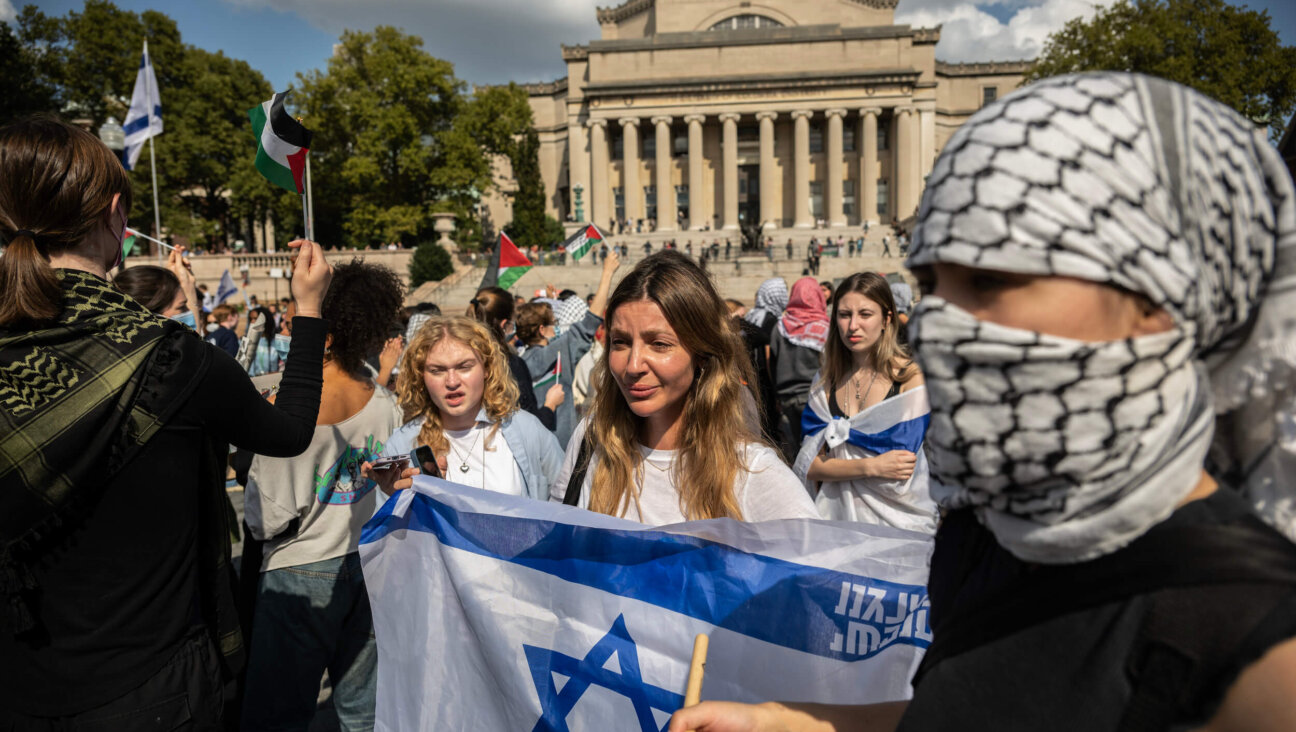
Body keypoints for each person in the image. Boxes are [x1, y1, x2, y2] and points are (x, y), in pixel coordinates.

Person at [670, 72, 1296, 732]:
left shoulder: (1262, 654)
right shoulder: (989, 535)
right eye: (935, 282)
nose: (943, 322)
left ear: (1156, 301)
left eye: (992, 278)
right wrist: (787, 721)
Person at [0, 116, 333, 729]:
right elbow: (287, 432)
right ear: (114, 214)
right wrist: (308, 310)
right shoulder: (170, 356)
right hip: (150, 685)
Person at [240, 260, 406, 731]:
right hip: (365, 562)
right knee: (363, 709)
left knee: (277, 712)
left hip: (299, 570)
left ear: (325, 335)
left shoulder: (285, 410)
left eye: (300, 317)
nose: (293, 325)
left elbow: (264, 518)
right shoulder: (383, 402)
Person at [552, 251, 819, 524]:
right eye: (620, 342)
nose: (632, 366)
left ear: (701, 353)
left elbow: (819, 560)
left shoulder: (753, 472)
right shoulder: (592, 438)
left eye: (659, 344)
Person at [365, 316, 564, 501]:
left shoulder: (526, 429)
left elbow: (568, 504)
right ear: (421, 377)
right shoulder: (402, 445)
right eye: (437, 370)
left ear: (486, 369)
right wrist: (401, 503)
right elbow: (388, 532)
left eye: (464, 367)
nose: (452, 381)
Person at [794, 273, 934, 532]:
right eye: (844, 315)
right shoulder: (825, 380)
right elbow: (809, 464)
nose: (853, 325)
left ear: (886, 319)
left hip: (900, 526)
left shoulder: (910, 379)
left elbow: (901, 468)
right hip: (837, 524)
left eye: (865, 314)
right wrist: (871, 466)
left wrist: (840, 466)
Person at [519, 249, 621, 447]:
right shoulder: (557, 352)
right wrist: (607, 272)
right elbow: (590, 323)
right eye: (553, 324)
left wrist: (549, 299)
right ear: (542, 329)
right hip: (560, 447)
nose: (557, 328)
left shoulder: (516, 360)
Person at [468, 286, 561, 430]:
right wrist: (550, 404)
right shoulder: (510, 364)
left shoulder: (462, 359)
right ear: (504, 325)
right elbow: (529, 425)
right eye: (512, 325)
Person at [769, 277, 830, 456]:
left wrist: (777, 396)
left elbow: (772, 362)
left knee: (800, 450)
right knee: (821, 453)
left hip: (787, 398)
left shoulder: (780, 327)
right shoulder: (824, 327)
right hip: (817, 397)